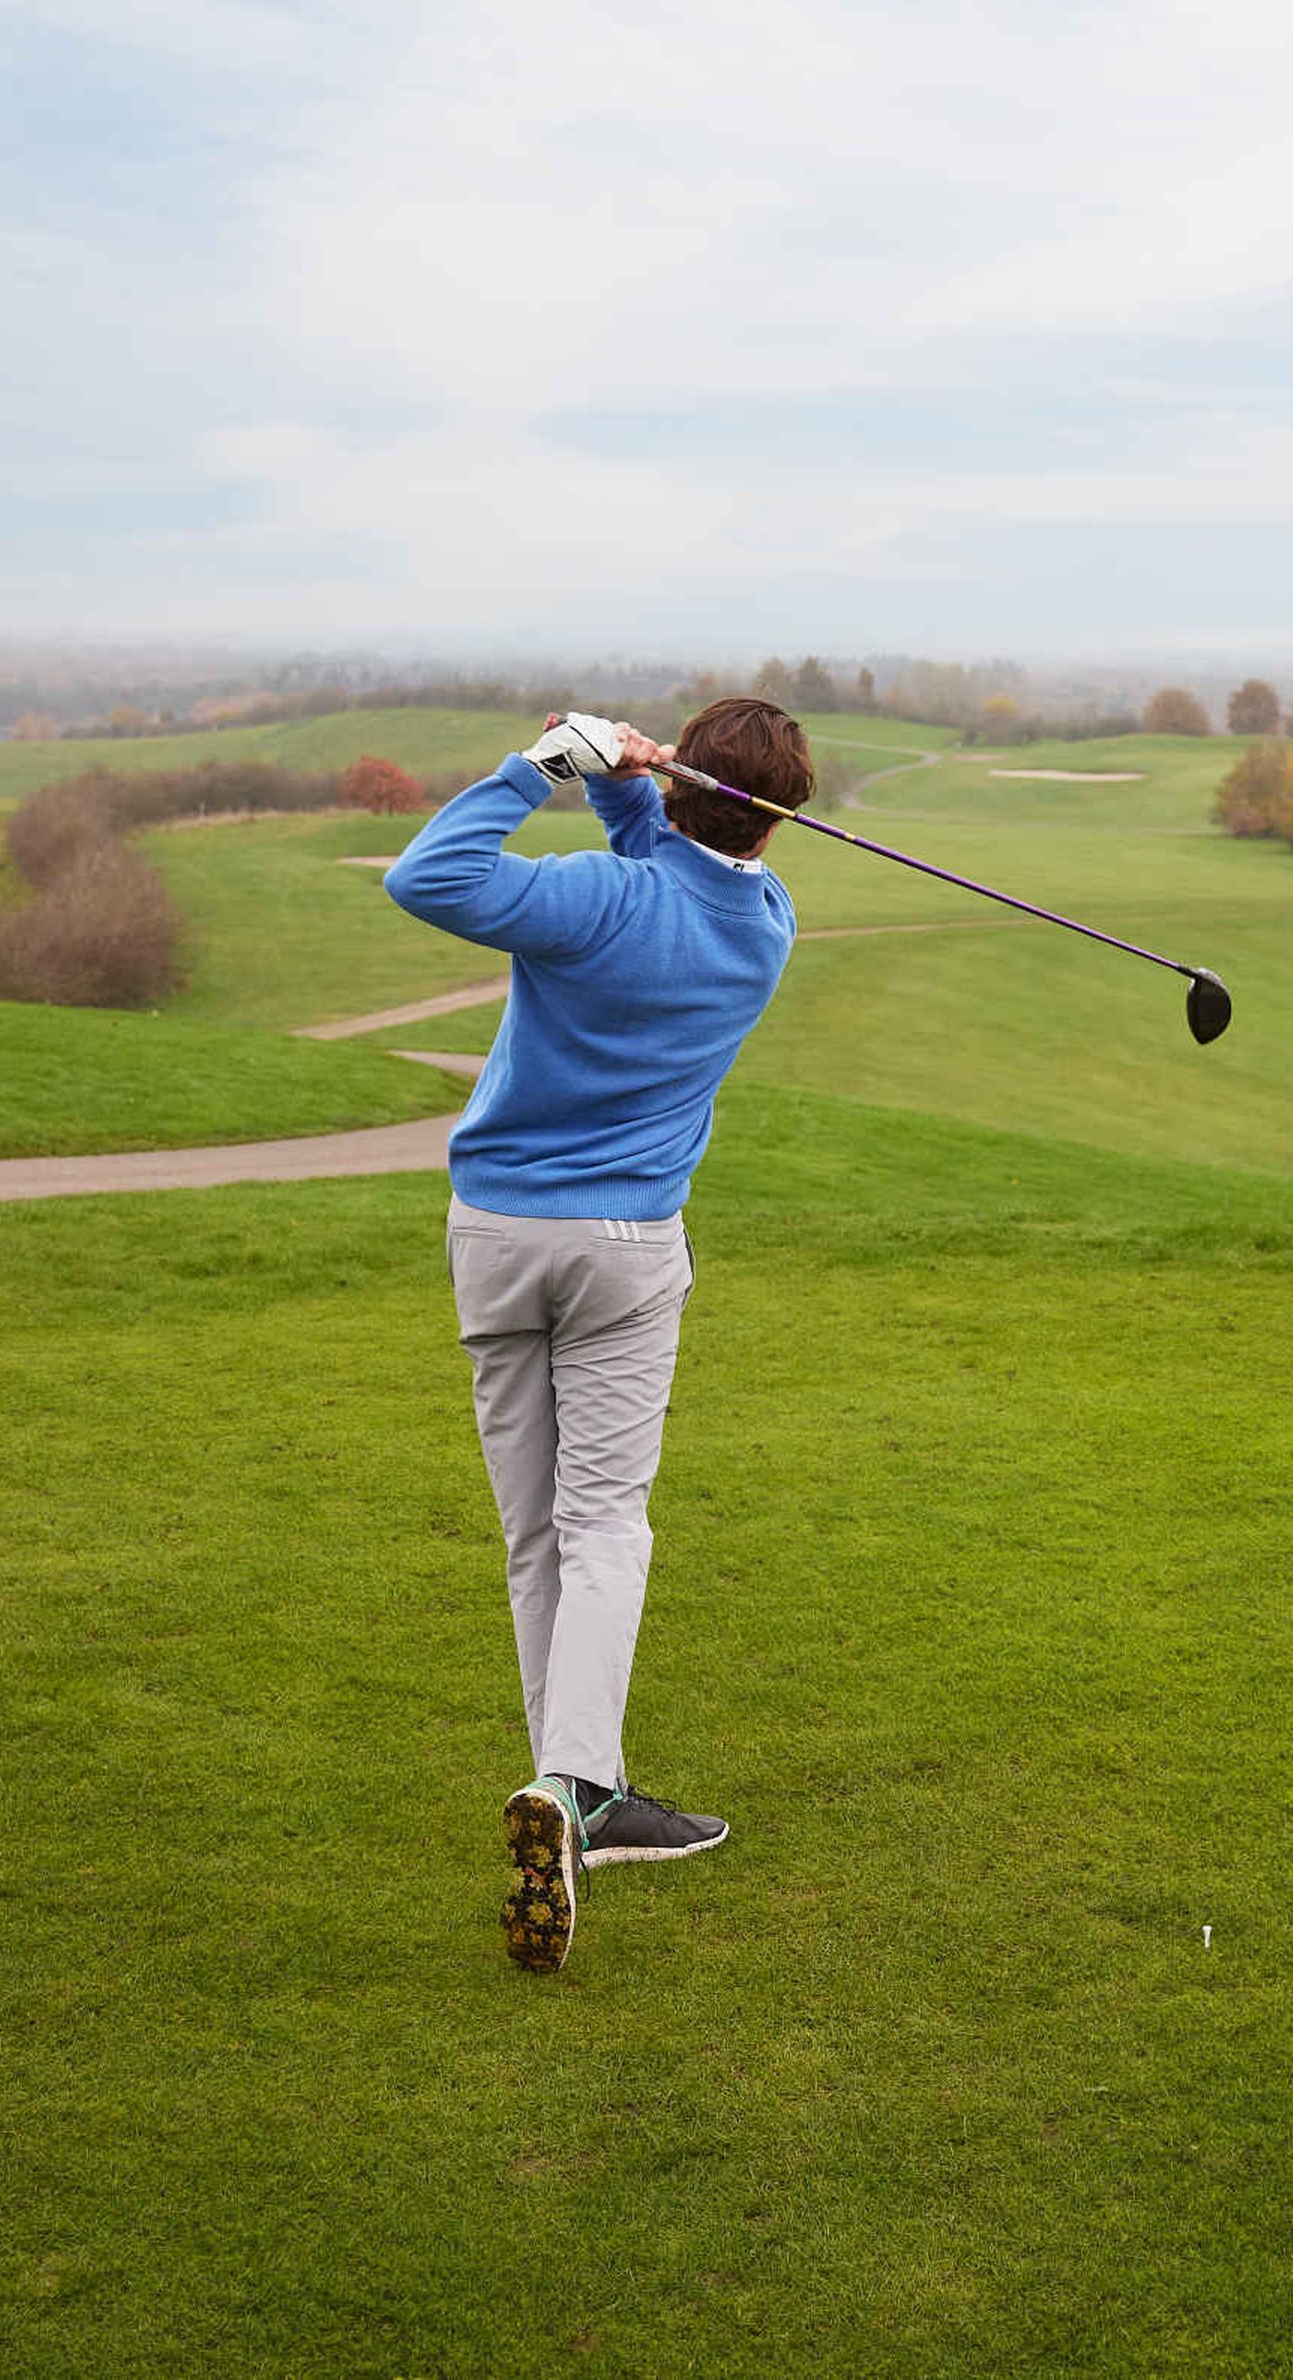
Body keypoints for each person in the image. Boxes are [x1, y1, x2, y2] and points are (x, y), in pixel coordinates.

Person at [380, 696, 813, 1972]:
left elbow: (430, 874)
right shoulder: (766, 929)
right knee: (606, 1524)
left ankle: (576, 1794)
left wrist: (543, 767)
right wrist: (638, 788)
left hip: (499, 1235)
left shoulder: (594, 900)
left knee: (536, 1535)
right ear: (775, 823)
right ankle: (576, 1790)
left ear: (679, 783)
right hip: (627, 1253)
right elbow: (683, 869)